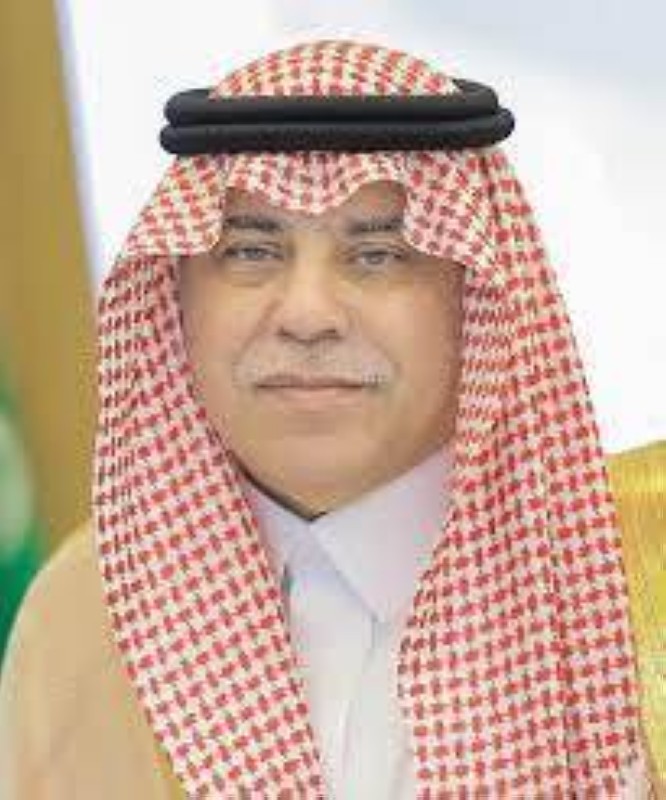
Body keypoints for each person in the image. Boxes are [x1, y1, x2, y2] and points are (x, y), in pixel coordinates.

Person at [0, 39, 662, 797]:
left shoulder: (646, 565)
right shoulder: (83, 617)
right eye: (251, 252)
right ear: (177, 298)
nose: (307, 314)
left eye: (376, 255)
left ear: (474, 297)